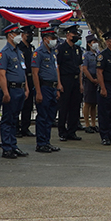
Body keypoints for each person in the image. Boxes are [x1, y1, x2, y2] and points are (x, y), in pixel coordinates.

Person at [0, 23, 30, 158]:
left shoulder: (19, 52)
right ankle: (7, 147)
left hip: (20, 89)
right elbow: (1, 74)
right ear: (10, 35)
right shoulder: (4, 53)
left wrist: (26, 88)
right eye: (16, 34)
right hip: (11, 89)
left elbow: (23, 72)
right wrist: (5, 92)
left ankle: (13, 145)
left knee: (15, 118)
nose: (19, 36)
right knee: (8, 119)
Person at [32, 24, 62, 153]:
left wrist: (59, 85)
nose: (54, 40)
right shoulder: (38, 53)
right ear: (45, 39)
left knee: (50, 116)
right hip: (43, 87)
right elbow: (35, 73)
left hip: (53, 87)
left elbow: (56, 69)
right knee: (43, 116)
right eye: (51, 37)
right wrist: (38, 92)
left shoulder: (53, 53)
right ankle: (41, 143)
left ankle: (47, 141)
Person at [56, 24, 84, 142]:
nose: (76, 37)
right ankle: (62, 132)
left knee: (75, 106)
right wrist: (59, 83)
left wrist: (81, 83)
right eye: (74, 34)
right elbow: (58, 66)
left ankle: (72, 131)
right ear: (68, 35)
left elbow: (80, 66)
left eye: (77, 35)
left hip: (75, 79)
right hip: (65, 79)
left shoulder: (77, 49)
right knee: (64, 106)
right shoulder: (61, 49)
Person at [18, 26, 36, 137]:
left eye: (31, 34)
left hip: (31, 78)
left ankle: (25, 127)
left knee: (28, 106)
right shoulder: (19, 48)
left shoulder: (32, 48)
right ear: (23, 35)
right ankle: (16, 128)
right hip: (22, 77)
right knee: (19, 104)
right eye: (28, 34)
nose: (30, 37)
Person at [81, 33, 100, 134]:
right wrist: (92, 79)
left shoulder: (98, 54)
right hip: (89, 80)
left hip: (97, 80)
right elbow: (84, 69)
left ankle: (93, 124)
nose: (95, 44)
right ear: (89, 44)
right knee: (87, 103)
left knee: (94, 103)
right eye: (94, 42)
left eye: (96, 42)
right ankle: (87, 124)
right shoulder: (86, 55)